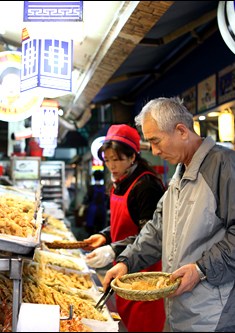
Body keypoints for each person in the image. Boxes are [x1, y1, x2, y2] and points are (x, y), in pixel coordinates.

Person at [103, 97, 235, 332]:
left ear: (181, 131)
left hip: (221, 317)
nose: (156, 152)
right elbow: (157, 230)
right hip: (184, 313)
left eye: (156, 142)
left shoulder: (226, 165)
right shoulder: (180, 175)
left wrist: (201, 269)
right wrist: (126, 262)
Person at [83, 124, 166, 332]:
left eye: (117, 159)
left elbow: (151, 234)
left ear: (132, 157)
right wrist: (104, 236)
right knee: (126, 321)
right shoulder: (120, 182)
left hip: (144, 273)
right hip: (122, 269)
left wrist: (113, 249)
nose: (112, 165)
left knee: (144, 323)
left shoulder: (146, 185)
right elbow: (123, 222)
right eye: (108, 160)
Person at [79, 170, 107, 234]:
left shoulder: (91, 188)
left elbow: (87, 198)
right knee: (100, 230)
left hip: (92, 210)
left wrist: (83, 205)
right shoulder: (105, 188)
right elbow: (107, 199)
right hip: (102, 211)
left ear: (93, 177)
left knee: (91, 230)